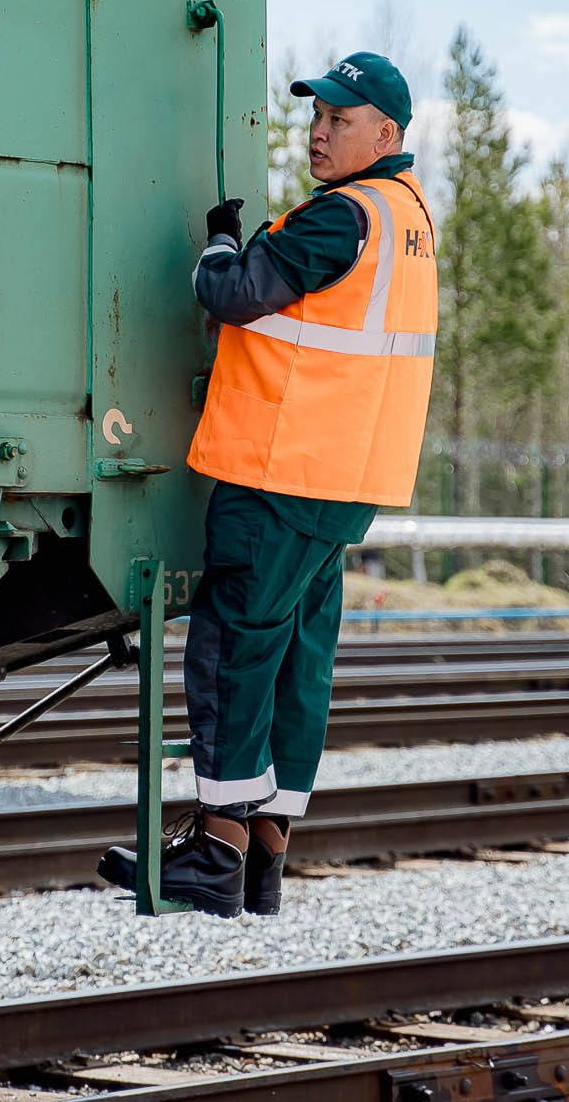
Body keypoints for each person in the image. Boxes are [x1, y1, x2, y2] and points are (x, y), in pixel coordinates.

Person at [100, 51, 439, 916]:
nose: (320, 131)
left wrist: (218, 238)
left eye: (341, 118)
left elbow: (234, 290)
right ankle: (266, 849)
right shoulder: (408, 218)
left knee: (235, 650)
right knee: (298, 660)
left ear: (387, 133)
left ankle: (216, 848)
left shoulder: (344, 218)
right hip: (343, 482)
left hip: (281, 469)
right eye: (316, 115)